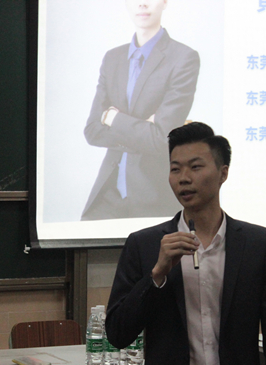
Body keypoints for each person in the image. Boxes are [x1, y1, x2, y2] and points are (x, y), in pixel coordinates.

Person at [105, 122, 266, 365]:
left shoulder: (260, 245)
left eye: (195, 167)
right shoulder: (144, 245)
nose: (183, 178)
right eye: (175, 169)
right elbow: (117, 332)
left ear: (223, 173)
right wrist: (157, 275)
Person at [82, 0, 200, 221]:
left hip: (153, 197)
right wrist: (144, 129)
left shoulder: (183, 58)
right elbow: (92, 131)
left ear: (164, 2)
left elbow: (161, 139)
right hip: (107, 195)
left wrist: (113, 118)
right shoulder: (112, 58)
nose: (142, 4)